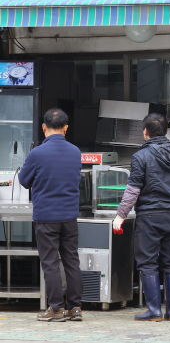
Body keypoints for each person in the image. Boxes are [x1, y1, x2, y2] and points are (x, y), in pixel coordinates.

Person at [113, 113, 170, 322]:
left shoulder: (141, 156)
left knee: (148, 262)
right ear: (165, 131)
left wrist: (120, 216)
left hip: (149, 217)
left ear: (145, 132)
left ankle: (154, 310)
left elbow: (132, 190)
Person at [19, 108, 83, 322]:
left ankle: (56, 308)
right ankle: (75, 308)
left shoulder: (37, 153)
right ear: (66, 128)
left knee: (51, 263)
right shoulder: (75, 151)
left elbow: (23, 180)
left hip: (46, 216)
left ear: (44, 127)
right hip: (70, 216)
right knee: (72, 260)